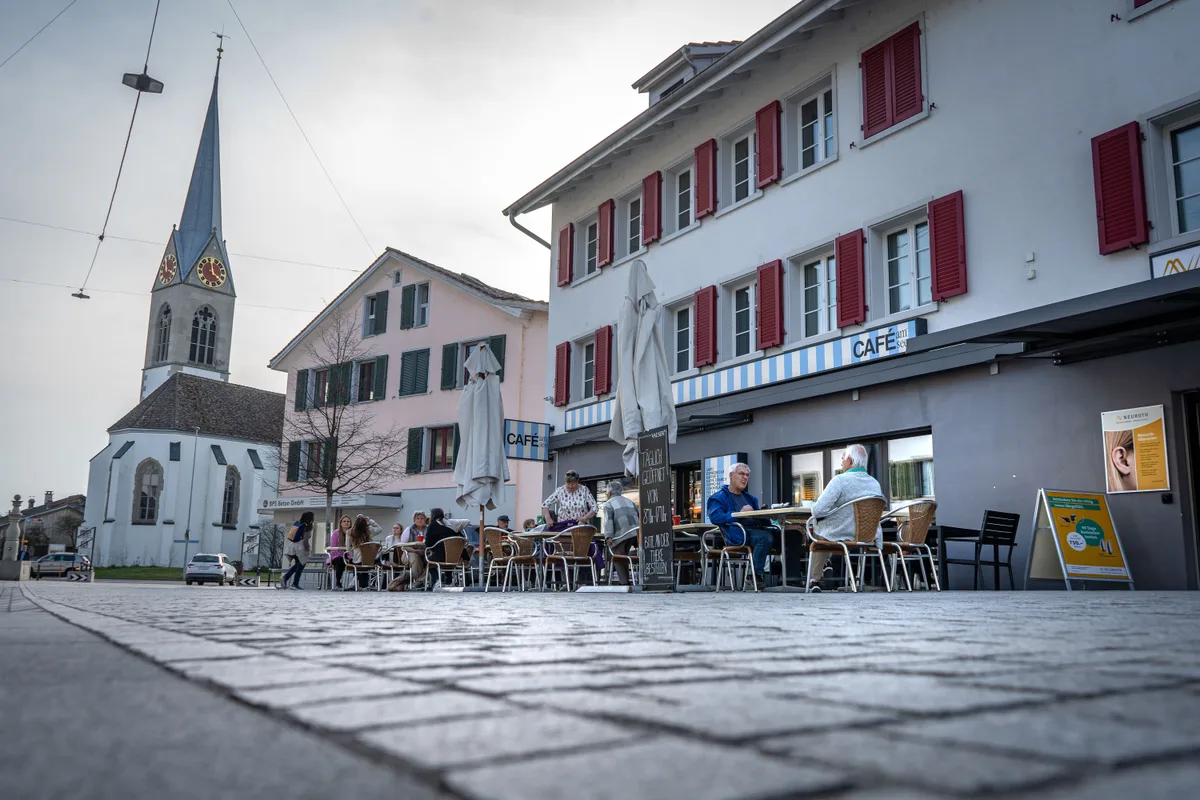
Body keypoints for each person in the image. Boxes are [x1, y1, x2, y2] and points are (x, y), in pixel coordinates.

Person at [807, 444, 886, 592]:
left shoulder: (840, 481)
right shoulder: (875, 483)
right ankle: (830, 566)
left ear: (849, 460)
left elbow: (817, 510)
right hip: (866, 535)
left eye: (842, 458)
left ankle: (814, 579)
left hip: (841, 532)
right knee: (825, 532)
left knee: (818, 531)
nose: (841, 462)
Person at [706, 463, 774, 587]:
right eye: (741, 474)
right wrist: (737, 514)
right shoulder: (718, 498)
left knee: (788, 534)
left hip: (756, 530)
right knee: (765, 537)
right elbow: (715, 517)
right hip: (738, 535)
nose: (745, 478)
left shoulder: (750, 498)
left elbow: (758, 519)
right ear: (731, 475)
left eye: (747, 475)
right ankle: (754, 575)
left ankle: (790, 577)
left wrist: (765, 515)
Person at [602, 480, 640, 585]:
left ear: (609, 493)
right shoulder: (630, 502)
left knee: (617, 554)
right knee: (624, 552)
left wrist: (608, 537)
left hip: (622, 533)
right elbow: (639, 516)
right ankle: (629, 580)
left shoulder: (608, 504)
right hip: (636, 534)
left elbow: (608, 522)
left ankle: (624, 582)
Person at [424, 508, 473, 586]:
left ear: (432, 516)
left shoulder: (432, 526)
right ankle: (449, 581)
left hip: (441, 556)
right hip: (456, 557)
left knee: (428, 560)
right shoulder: (451, 526)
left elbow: (428, 544)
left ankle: (436, 581)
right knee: (448, 561)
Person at [346, 515, 382, 589]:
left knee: (357, 566)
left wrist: (352, 555)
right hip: (370, 560)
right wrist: (371, 521)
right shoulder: (368, 530)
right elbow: (379, 529)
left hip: (357, 560)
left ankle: (359, 585)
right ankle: (364, 585)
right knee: (366, 566)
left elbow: (348, 548)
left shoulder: (350, 532)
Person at [280, 511, 314, 589]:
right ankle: (294, 583)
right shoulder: (307, 526)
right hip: (301, 547)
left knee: (297, 564)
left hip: (293, 546)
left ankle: (286, 578)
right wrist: (307, 550)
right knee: (301, 565)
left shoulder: (298, 523)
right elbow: (305, 539)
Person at [327, 515, 353, 590]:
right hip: (336, 556)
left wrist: (349, 556)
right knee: (340, 560)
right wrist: (342, 556)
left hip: (350, 556)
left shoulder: (353, 533)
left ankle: (358, 584)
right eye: (344, 521)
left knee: (359, 561)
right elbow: (333, 547)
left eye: (348, 521)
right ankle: (338, 582)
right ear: (341, 523)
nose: (346, 523)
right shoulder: (336, 533)